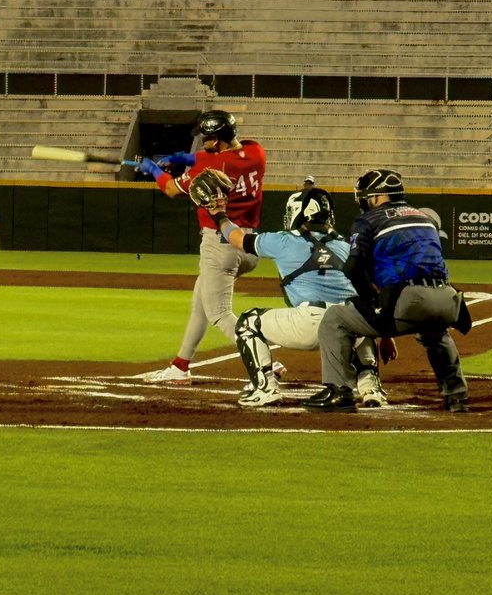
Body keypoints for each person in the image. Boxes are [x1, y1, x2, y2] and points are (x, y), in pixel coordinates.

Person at [205, 182, 389, 407]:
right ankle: (371, 387)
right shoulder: (345, 245)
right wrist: (384, 335)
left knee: (248, 322)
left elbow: (238, 239)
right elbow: (370, 292)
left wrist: (219, 214)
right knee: (360, 319)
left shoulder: (284, 240)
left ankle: (265, 388)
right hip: (346, 326)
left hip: (309, 322)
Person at [303, 170, 471, 413]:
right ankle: (457, 396)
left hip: (410, 301)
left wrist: (372, 303)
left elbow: (353, 268)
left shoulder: (370, 220)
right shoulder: (425, 218)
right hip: (447, 299)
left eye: (366, 196)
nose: (363, 200)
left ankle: (339, 390)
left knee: (335, 318)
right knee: (435, 332)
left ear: (378, 196)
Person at [134, 109, 265, 384]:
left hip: (221, 245)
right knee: (200, 305)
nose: (204, 141)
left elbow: (170, 189)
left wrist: (154, 170)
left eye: (208, 138)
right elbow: (213, 157)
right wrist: (183, 158)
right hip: (250, 244)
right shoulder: (256, 153)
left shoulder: (212, 168)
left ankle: (264, 363)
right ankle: (180, 365)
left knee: (219, 313)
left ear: (218, 140)